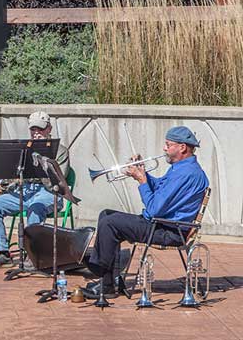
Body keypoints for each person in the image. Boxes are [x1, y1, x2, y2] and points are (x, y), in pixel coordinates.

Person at [81, 126, 209, 299]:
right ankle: (110, 280)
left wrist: (141, 181)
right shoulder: (181, 168)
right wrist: (143, 173)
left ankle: (105, 279)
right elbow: (160, 188)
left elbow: (155, 208)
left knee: (109, 223)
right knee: (107, 215)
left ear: (182, 147)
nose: (164, 148)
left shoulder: (186, 173)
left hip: (170, 230)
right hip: (162, 224)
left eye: (168, 144)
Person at [0, 111, 70, 269]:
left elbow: (58, 181)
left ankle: (33, 254)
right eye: (33, 130)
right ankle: (1, 253)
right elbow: (13, 173)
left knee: (35, 209)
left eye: (40, 129)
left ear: (49, 128)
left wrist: (43, 162)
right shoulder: (24, 148)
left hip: (49, 192)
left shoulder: (61, 150)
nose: (36, 133)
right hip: (25, 190)